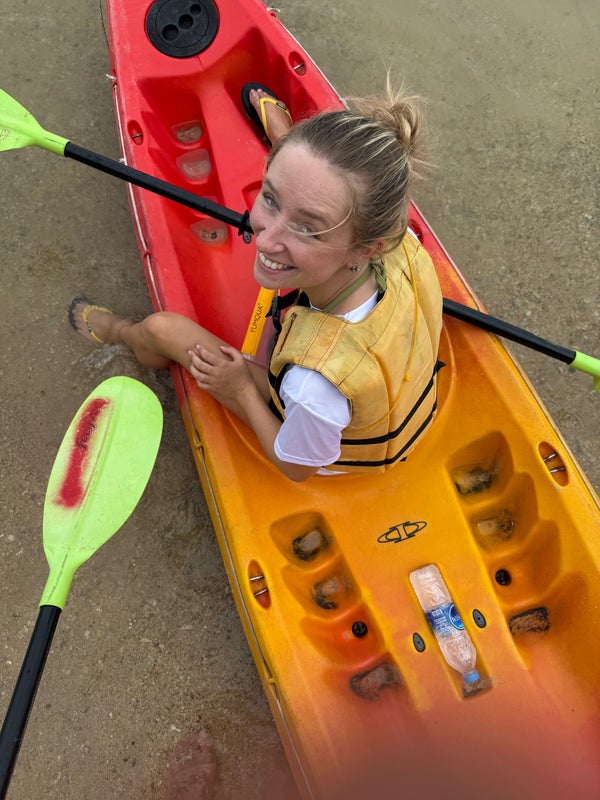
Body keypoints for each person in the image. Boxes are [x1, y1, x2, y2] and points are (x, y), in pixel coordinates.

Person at [69, 82, 443, 482]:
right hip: (386, 396)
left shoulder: (311, 386)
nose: (263, 241)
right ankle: (286, 140)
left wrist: (241, 390)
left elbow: (297, 467)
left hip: (334, 447)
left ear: (367, 249)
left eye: (308, 228)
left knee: (162, 328)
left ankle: (124, 334)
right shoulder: (403, 241)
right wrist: (303, 224)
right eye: (270, 198)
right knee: (317, 183)